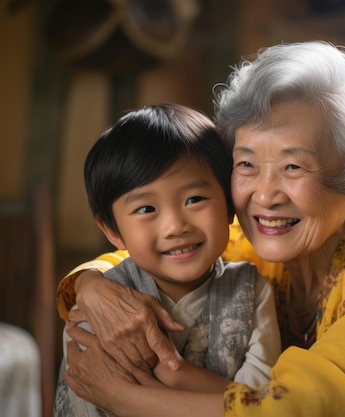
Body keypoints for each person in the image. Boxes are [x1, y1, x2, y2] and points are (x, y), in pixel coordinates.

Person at [58, 41, 345, 416]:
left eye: (293, 166)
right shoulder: (246, 248)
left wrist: (120, 398)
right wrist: (93, 287)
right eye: (246, 163)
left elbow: (305, 410)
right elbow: (132, 256)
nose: (265, 194)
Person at [53, 103, 280, 416]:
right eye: (146, 209)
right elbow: (86, 397)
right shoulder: (100, 310)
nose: (176, 226)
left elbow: (262, 404)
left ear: (229, 205)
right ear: (112, 231)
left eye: (194, 199)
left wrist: (170, 371)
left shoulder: (253, 291)